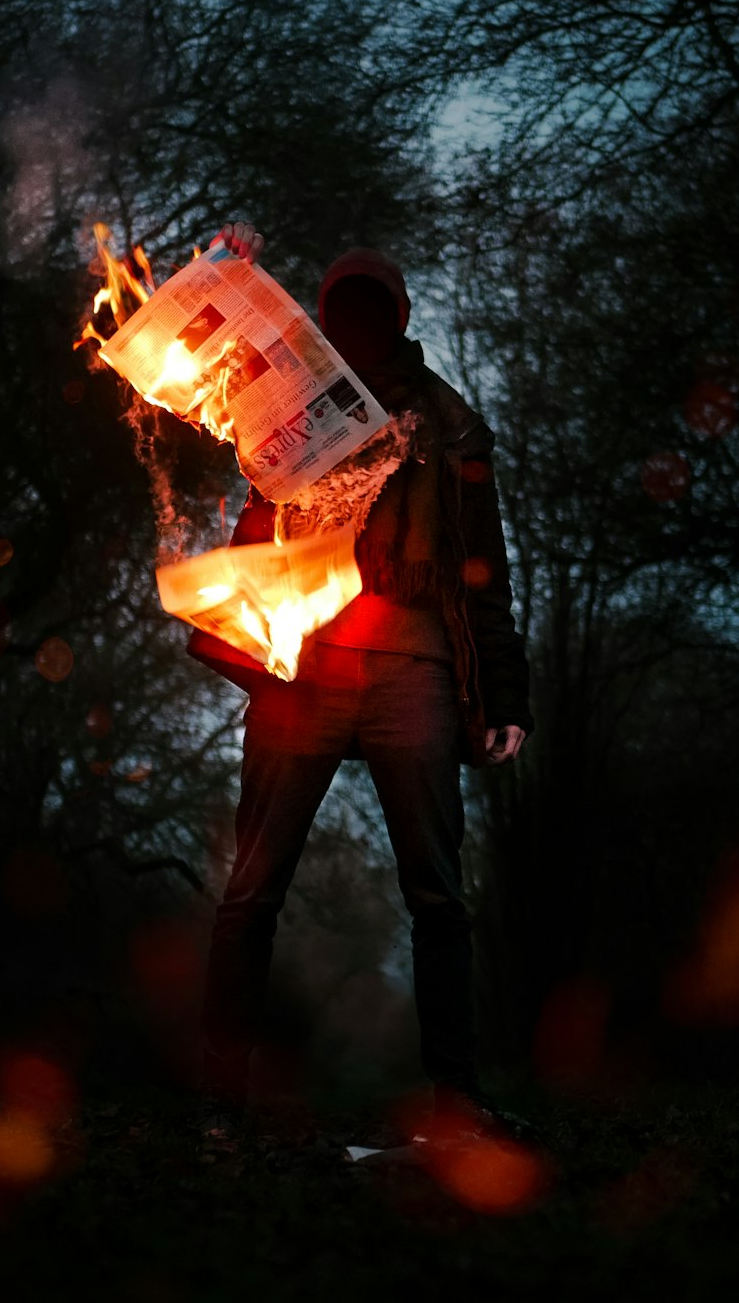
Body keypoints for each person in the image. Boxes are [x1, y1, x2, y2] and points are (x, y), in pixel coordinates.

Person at [193, 220, 535, 1136]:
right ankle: (221, 1105)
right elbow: (217, 390)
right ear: (324, 314)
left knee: (437, 892)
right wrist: (229, 273)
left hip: (413, 667)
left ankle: (455, 1101)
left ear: (402, 315)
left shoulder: (452, 420)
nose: (355, 321)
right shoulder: (291, 397)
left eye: (369, 308)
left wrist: (505, 696)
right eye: (339, 307)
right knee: (253, 887)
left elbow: (482, 569)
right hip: (303, 663)